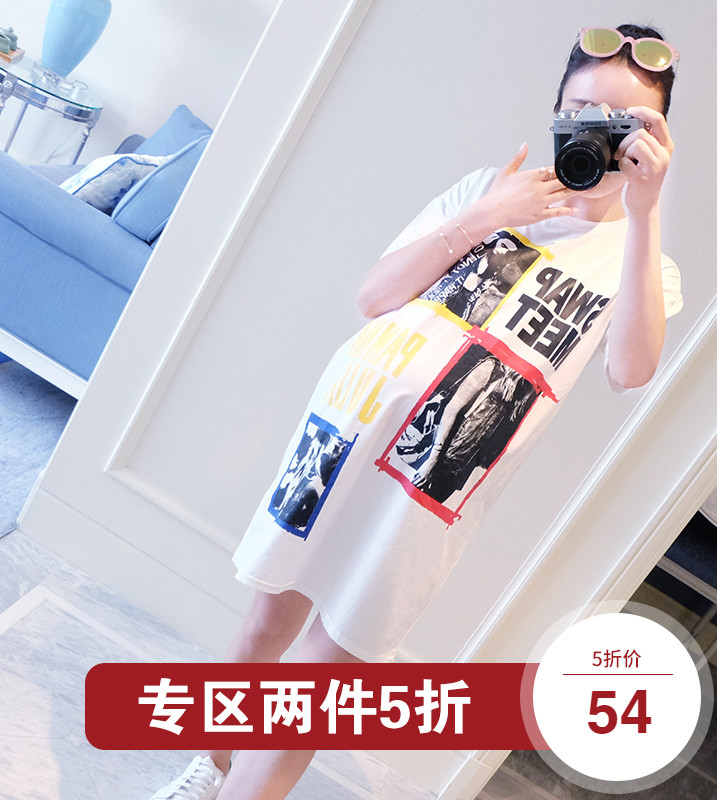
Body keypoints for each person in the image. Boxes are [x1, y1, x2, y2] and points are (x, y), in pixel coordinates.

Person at [149, 23, 683, 800]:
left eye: (620, 122)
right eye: (580, 112)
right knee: (265, 625)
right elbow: (375, 297)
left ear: (653, 137)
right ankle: (212, 764)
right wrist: (489, 213)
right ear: (556, 111)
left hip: (426, 495)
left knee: (322, 680)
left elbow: (630, 370)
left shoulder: (641, 256)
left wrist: (646, 209)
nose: (595, 136)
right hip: (342, 438)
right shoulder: (487, 191)